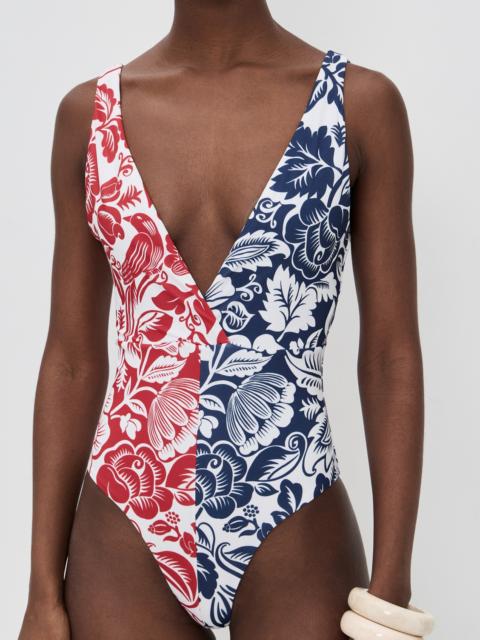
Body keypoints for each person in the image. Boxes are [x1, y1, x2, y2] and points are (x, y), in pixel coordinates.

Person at [18, 1, 426, 639]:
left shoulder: (359, 106)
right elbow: (71, 359)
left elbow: (389, 355)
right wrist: (42, 591)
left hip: (292, 505)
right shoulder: (89, 114)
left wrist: (392, 588)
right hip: (126, 514)